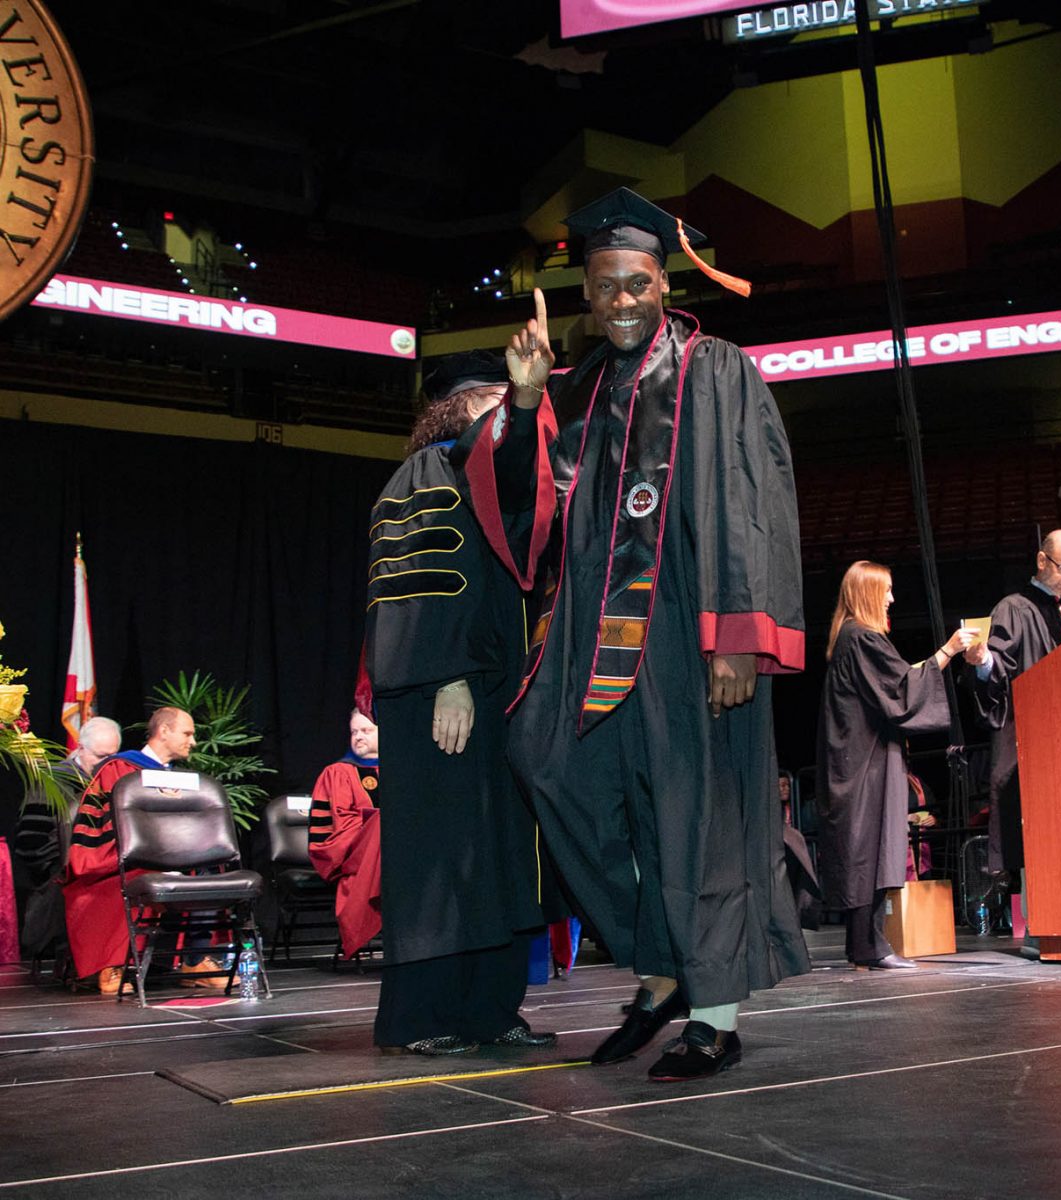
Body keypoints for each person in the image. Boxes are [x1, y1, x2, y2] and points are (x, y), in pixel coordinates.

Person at [465, 187, 811, 1081]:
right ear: (586, 291)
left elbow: (752, 504)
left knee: (700, 814)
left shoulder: (716, 369)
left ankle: (715, 1016)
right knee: (550, 765)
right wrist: (523, 399)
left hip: (689, 631)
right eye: (606, 285)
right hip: (587, 640)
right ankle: (659, 972)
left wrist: (738, 634)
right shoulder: (571, 391)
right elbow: (519, 515)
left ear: (664, 282)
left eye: (638, 283)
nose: (622, 300)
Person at [364, 349, 556, 1057]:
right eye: (493, 404)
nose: (508, 418)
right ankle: (419, 1017)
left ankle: (489, 1008)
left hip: (495, 693)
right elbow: (420, 581)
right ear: (456, 410)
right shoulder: (430, 471)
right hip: (442, 691)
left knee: (497, 853)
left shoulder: (491, 483)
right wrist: (448, 675)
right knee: (442, 854)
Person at [816, 561, 976, 969]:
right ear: (868, 593)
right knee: (865, 847)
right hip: (863, 764)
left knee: (867, 847)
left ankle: (865, 946)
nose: (891, 598)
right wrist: (949, 650)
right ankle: (869, 946)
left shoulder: (851, 638)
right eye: (885, 590)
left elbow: (899, 684)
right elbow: (903, 689)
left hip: (861, 757)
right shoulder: (862, 638)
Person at [964, 530, 1061, 899]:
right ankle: (1042, 909)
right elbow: (998, 667)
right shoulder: (1013, 608)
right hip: (1035, 741)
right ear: (1042, 561)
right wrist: (982, 661)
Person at [62, 706, 224, 993]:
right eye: (187, 733)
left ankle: (194, 959)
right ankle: (114, 964)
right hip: (123, 859)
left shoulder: (181, 780)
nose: (193, 742)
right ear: (164, 731)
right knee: (137, 873)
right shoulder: (120, 769)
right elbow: (107, 828)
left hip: (173, 860)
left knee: (212, 866)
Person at [16, 716, 122, 967]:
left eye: (112, 758)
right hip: (61, 885)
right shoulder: (53, 781)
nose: (104, 765)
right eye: (99, 757)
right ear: (81, 747)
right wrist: (58, 874)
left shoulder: (114, 783)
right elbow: (31, 840)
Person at [307, 710, 382, 958]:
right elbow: (341, 824)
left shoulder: (401, 769)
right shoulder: (338, 772)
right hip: (344, 850)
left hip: (386, 848)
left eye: (366, 730)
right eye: (354, 732)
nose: (358, 737)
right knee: (383, 823)